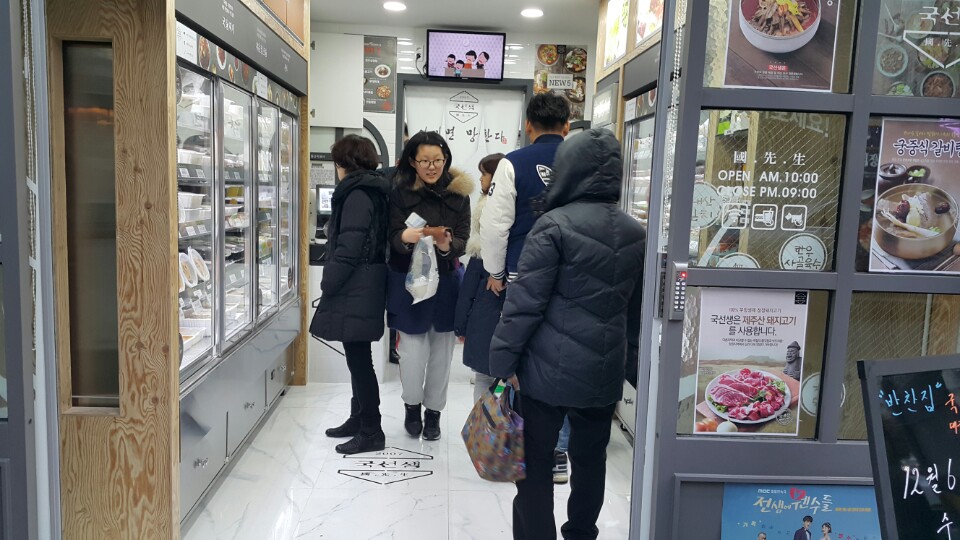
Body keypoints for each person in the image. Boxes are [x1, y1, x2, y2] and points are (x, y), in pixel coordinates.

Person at [489, 129, 646, 540]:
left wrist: (502, 361)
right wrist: (627, 363)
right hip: (603, 371)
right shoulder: (635, 231)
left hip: (545, 371)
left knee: (536, 464)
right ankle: (581, 533)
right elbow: (635, 311)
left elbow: (525, 303)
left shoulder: (553, 225)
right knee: (591, 460)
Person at [480, 91, 570, 481]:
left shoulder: (512, 163)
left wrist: (496, 273)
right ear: (567, 126)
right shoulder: (582, 160)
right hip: (572, 279)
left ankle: (522, 447)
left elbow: (495, 225)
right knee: (563, 359)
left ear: (528, 126)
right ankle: (559, 452)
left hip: (523, 276)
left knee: (522, 360)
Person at [387, 131, 472, 441]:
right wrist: (404, 237)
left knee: (441, 355)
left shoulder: (459, 194)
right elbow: (391, 236)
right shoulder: (399, 192)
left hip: (446, 282)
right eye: (425, 161)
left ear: (445, 159)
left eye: (438, 160)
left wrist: (448, 245)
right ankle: (412, 407)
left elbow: (463, 238)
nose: (432, 167)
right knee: (411, 354)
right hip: (409, 283)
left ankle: (433, 413)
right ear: (413, 161)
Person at [309, 135, 390, 455]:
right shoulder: (371, 189)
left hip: (356, 284)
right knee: (358, 357)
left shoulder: (356, 194)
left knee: (359, 360)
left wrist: (329, 281)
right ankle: (359, 419)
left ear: (343, 164)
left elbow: (349, 247)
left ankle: (371, 429)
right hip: (366, 283)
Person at [454, 153, 505, 403]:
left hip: (486, 309)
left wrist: (461, 324)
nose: (481, 179)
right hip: (508, 314)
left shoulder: (487, 213)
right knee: (502, 377)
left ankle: (484, 422)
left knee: (485, 375)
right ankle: (498, 415)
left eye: (485, 173)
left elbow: (471, 284)